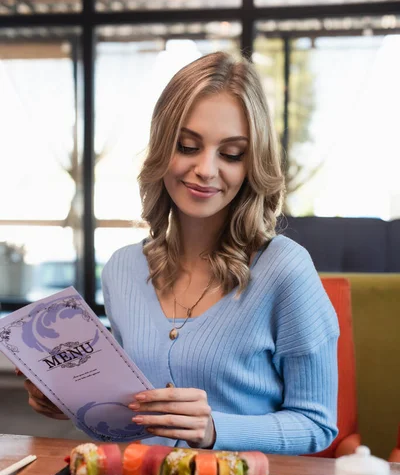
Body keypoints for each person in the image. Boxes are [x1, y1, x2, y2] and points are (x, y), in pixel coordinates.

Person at [23, 51, 339, 454]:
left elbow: (316, 425)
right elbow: (130, 409)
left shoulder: (285, 269)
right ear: (161, 148)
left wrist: (214, 429)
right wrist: (65, 397)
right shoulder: (122, 268)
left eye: (231, 154)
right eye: (188, 146)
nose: (206, 169)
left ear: (251, 164)